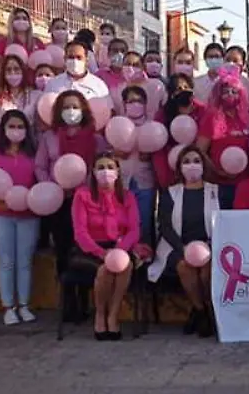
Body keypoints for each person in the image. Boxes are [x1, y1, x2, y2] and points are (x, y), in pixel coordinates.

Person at [35, 90, 107, 320]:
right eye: (66, 107)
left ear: (83, 110)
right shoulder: (49, 138)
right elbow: (40, 166)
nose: (71, 112)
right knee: (63, 250)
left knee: (85, 250)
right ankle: (68, 303)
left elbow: (104, 167)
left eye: (75, 107)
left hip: (87, 202)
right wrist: (52, 187)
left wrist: (89, 188)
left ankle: (85, 301)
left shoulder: (95, 138)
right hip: (60, 202)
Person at [70, 153, 143, 340]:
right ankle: (100, 315)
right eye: (100, 167)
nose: (106, 172)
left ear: (118, 171)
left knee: (123, 266)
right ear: (93, 172)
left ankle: (114, 315)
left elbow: (134, 229)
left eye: (110, 167)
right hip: (91, 249)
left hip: (121, 247)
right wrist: (102, 253)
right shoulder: (82, 196)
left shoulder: (127, 197)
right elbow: (81, 232)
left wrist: (120, 251)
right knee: (105, 270)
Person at [149, 144, 220, 337]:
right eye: (186, 162)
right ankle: (201, 311)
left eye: (196, 161)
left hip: (210, 247)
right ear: (179, 167)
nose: (192, 165)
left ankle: (203, 310)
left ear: (204, 165)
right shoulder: (170, 193)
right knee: (184, 266)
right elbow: (165, 226)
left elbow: (223, 223)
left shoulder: (216, 191)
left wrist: (211, 246)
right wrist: (183, 248)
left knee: (206, 271)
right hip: (177, 247)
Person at [0, 109, 39, 325]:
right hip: (0, 214)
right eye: (11, 126)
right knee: (6, 261)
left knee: (24, 261)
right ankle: (8, 307)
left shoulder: (33, 154)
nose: (16, 131)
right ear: (3, 130)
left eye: (20, 127)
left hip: (29, 214)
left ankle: (24, 304)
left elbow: (41, 181)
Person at [196, 65, 249, 209]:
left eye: (234, 91)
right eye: (225, 91)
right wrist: (217, 172)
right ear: (218, 94)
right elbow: (200, 151)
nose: (230, 95)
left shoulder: (247, 118)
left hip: (245, 183)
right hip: (219, 184)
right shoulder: (212, 117)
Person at [116, 85, 159, 239]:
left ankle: (146, 257)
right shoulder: (115, 125)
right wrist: (116, 152)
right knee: (123, 224)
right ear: (124, 104)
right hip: (121, 183)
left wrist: (150, 154)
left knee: (145, 222)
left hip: (145, 182)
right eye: (131, 101)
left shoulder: (153, 126)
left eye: (139, 101)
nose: (135, 105)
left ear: (146, 103)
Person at [0, 54, 33, 149]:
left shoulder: (33, 95)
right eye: (8, 70)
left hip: (26, 147)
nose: (13, 72)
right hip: (0, 146)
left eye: (16, 69)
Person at [45, 41, 110, 102]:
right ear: (64, 59)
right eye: (71, 57)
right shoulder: (53, 84)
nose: (75, 61)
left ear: (86, 60)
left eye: (79, 57)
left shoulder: (98, 85)